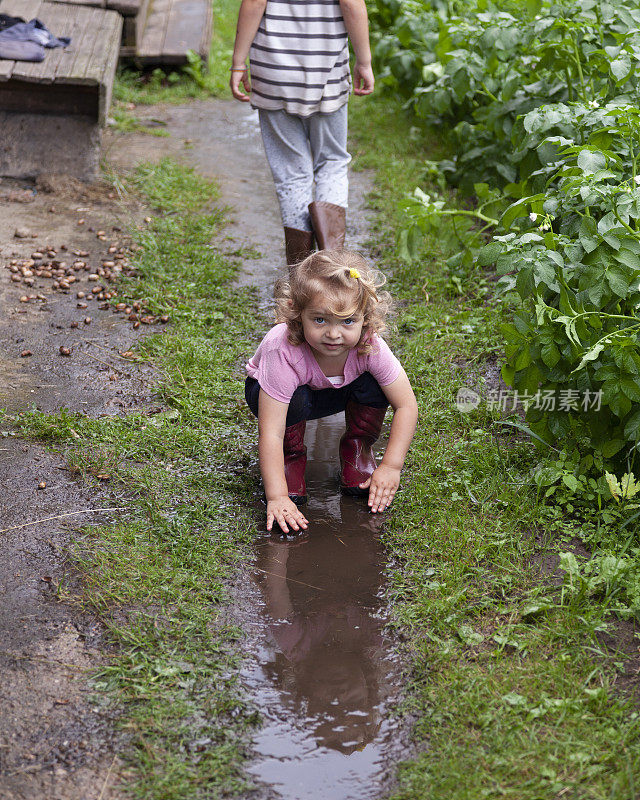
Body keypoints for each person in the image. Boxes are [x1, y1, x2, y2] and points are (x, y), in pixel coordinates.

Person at [245, 250, 418, 533]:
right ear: (297, 314)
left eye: (348, 321)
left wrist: (391, 466)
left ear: (365, 317)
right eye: (320, 320)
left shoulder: (369, 345)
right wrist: (277, 496)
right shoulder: (284, 350)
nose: (334, 334)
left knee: (377, 384)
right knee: (297, 400)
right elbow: (271, 432)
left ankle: (357, 450)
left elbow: (406, 406)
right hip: (277, 396)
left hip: (334, 392)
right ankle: (291, 459)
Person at [229, 0, 375, 267]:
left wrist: (238, 62)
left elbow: (254, 2)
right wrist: (363, 60)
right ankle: (332, 267)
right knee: (331, 163)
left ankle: (300, 274)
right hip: (326, 73)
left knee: (291, 173)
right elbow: (351, 3)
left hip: (274, 73)